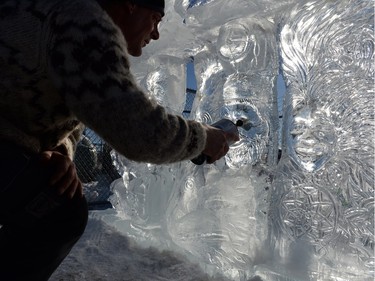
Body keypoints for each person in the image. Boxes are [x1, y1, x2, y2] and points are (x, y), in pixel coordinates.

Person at [0, 0, 239, 280]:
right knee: (61, 212)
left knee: (48, 190)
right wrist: (203, 138)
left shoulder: (56, 15)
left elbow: (78, 108)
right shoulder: (82, 20)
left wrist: (59, 153)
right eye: (154, 19)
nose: (156, 33)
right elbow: (136, 130)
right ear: (129, 5)